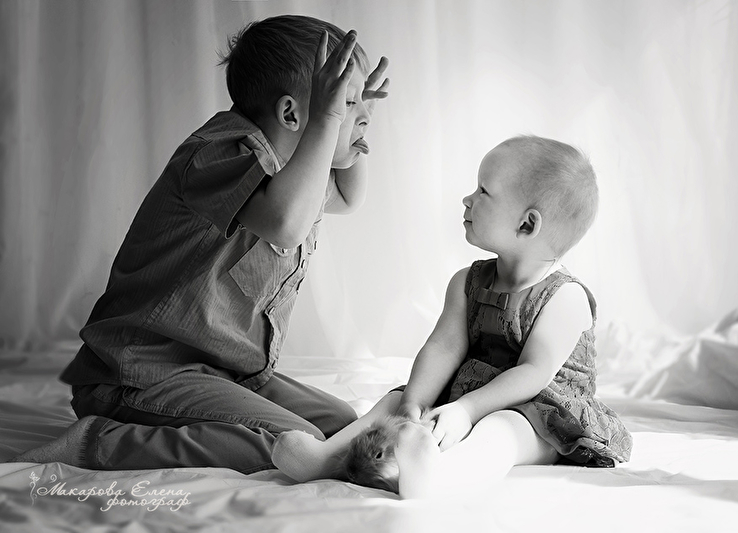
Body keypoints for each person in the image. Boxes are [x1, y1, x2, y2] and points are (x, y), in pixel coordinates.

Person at [14, 15, 389, 474]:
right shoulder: (219, 152)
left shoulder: (295, 173)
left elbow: (348, 197)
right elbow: (286, 225)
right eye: (346, 101)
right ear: (292, 115)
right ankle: (97, 443)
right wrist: (331, 119)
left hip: (227, 373)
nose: (361, 112)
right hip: (141, 372)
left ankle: (229, 419)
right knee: (296, 444)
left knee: (345, 426)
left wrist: (354, 120)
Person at [272, 135, 633, 498]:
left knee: (503, 430)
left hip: (541, 415)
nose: (467, 199)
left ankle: (437, 477)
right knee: (395, 402)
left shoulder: (565, 297)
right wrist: (414, 403)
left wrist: (467, 409)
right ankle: (325, 458)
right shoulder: (467, 282)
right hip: (467, 396)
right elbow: (443, 348)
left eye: (483, 191)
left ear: (527, 225)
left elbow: (533, 373)